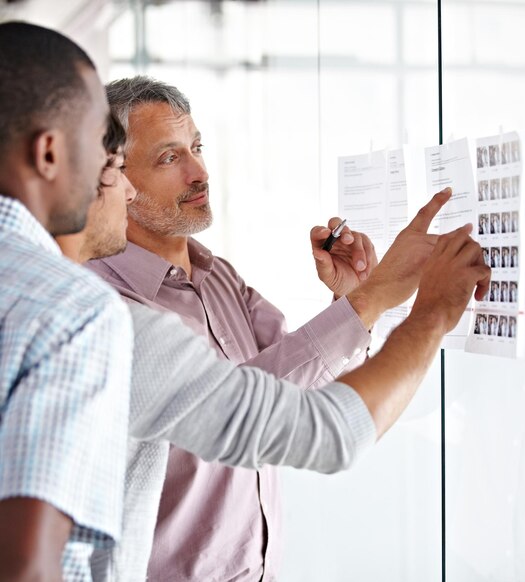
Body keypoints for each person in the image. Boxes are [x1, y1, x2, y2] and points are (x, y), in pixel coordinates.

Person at [57, 114, 490, 581]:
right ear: (119, 174)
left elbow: (297, 387)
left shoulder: (218, 274)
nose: (199, 172)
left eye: (196, 147)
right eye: (169, 157)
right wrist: (409, 306)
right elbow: (292, 422)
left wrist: (350, 303)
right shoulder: (109, 311)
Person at [0, 22, 134, 580]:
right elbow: (27, 564)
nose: (108, 172)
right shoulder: (76, 312)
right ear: (50, 151)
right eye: (96, 141)